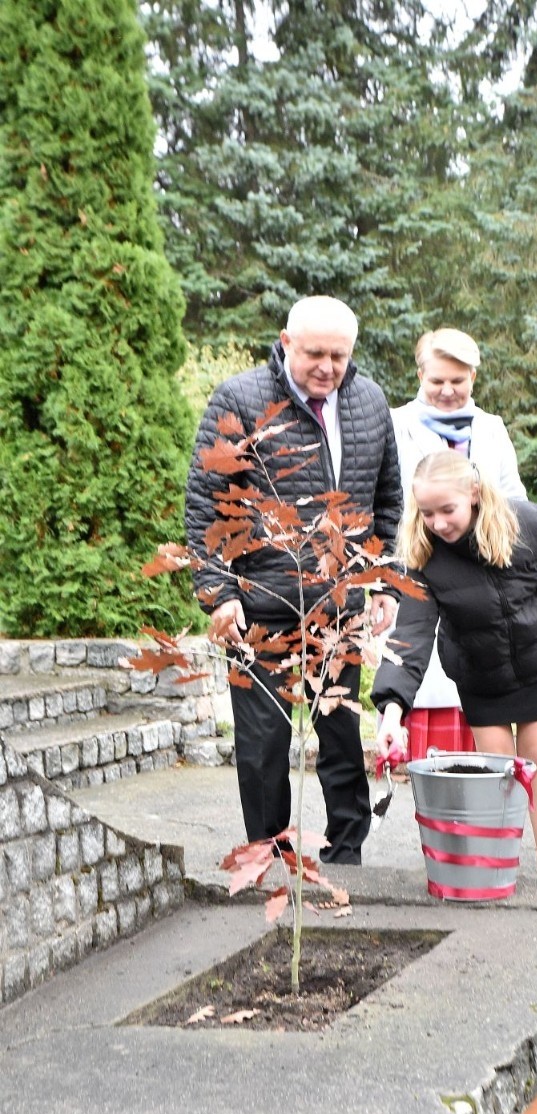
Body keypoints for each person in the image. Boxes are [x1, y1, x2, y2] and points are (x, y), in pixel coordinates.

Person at [185, 295, 402, 864]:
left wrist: (382, 581)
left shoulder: (370, 402)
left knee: (338, 736)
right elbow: (206, 505)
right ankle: (269, 852)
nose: (328, 367)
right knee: (262, 745)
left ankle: (347, 850)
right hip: (262, 605)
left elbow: (388, 501)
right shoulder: (239, 399)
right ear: (286, 342)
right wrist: (219, 592)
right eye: (314, 354)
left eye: (339, 355)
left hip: (339, 605)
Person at [372, 450, 537, 882]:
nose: (438, 523)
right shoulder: (424, 557)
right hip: (479, 672)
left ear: (475, 494)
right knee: (499, 771)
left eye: (448, 510)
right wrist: (392, 709)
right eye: (427, 513)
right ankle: (501, 870)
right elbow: (410, 636)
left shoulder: (530, 525)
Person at [390, 328, 528, 758]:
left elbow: (515, 500)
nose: (448, 391)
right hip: (422, 573)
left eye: (458, 380)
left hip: (485, 583)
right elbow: (384, 501)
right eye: (436, 381)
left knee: (483, 703)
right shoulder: (396, 426)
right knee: (427, 689)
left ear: (473, 376)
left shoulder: (490, 428)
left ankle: (482, 818)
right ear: (419, 375)